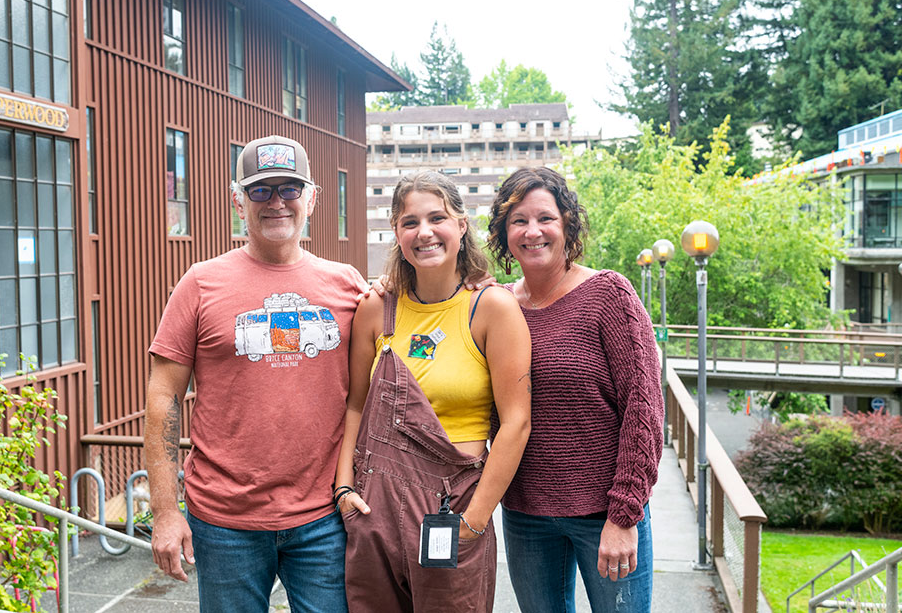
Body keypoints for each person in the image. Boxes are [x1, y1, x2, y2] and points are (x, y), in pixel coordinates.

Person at [145, 135, 367, 613]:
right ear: (237, 199)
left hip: (325, 515)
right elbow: (162, 398)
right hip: (225, 518)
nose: (276, 202)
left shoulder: (349, 284)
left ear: (312, 196)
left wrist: (469, 281)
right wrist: (165, 511)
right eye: (261, 190)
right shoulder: (200, 283)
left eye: (289, 189)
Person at [335, 170, 532, 613]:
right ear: (396, 233)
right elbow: (355, 407)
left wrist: (476, 518)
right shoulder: (375, 308)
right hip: (375, 502)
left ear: (461, 225)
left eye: (437, 218)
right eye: (410, 222)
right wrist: (344, 489)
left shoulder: (492, 307)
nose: (424, 233)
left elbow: (517, 423)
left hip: (454, 502)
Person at [486, 166, 664, 613]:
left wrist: (624, 516)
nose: (532, 231)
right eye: (518, 221)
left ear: (567, 223)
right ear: (503, 233)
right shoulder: (497, 305)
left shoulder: (609, 295)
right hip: (526, 515)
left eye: (545, 217)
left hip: (605, 513)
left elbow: (644, 410)